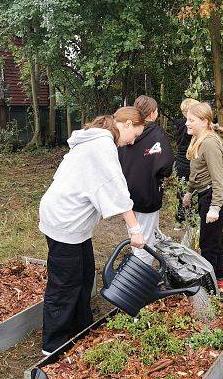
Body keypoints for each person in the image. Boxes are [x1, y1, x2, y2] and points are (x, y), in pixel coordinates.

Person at [38, 107, 147, 355]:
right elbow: (116, 188)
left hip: (73, 222)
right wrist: (135, 230)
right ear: (128, 124)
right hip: (64, 220)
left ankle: (79, 328)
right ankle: (53, 345)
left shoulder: (99, 138)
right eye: (135, 134)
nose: (132, 141)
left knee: (86, 275)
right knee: (64, 283)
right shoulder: (102, 145)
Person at [118, 95, 174, 265]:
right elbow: (166, 166)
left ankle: (137, 269)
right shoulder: (156, 134)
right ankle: (139, 280)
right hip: (147, 194)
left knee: (134, 234)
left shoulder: (124, 132)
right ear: (152, 113)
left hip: (126, 194)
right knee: (144, 241)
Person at [182, 102, 223, 293]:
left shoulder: (209, 143)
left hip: (214, 193)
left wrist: (215, 207)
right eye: (187, 119)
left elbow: (218, 178)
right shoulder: (197, 138)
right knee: (214, 238)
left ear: (204, 121)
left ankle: (209, 286)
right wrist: (189, 191)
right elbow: (197, 172)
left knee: (208, 242)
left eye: (191, 120)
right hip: (204, 191)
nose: (187, 123)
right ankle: (219, 280)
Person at [173, 98, 199, 230]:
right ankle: (193, 220)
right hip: (191, 161)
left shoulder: (178, 123)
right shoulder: (191, 125)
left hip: (180, 162)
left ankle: (179, 220)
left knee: (181, 191)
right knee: (193, 190)